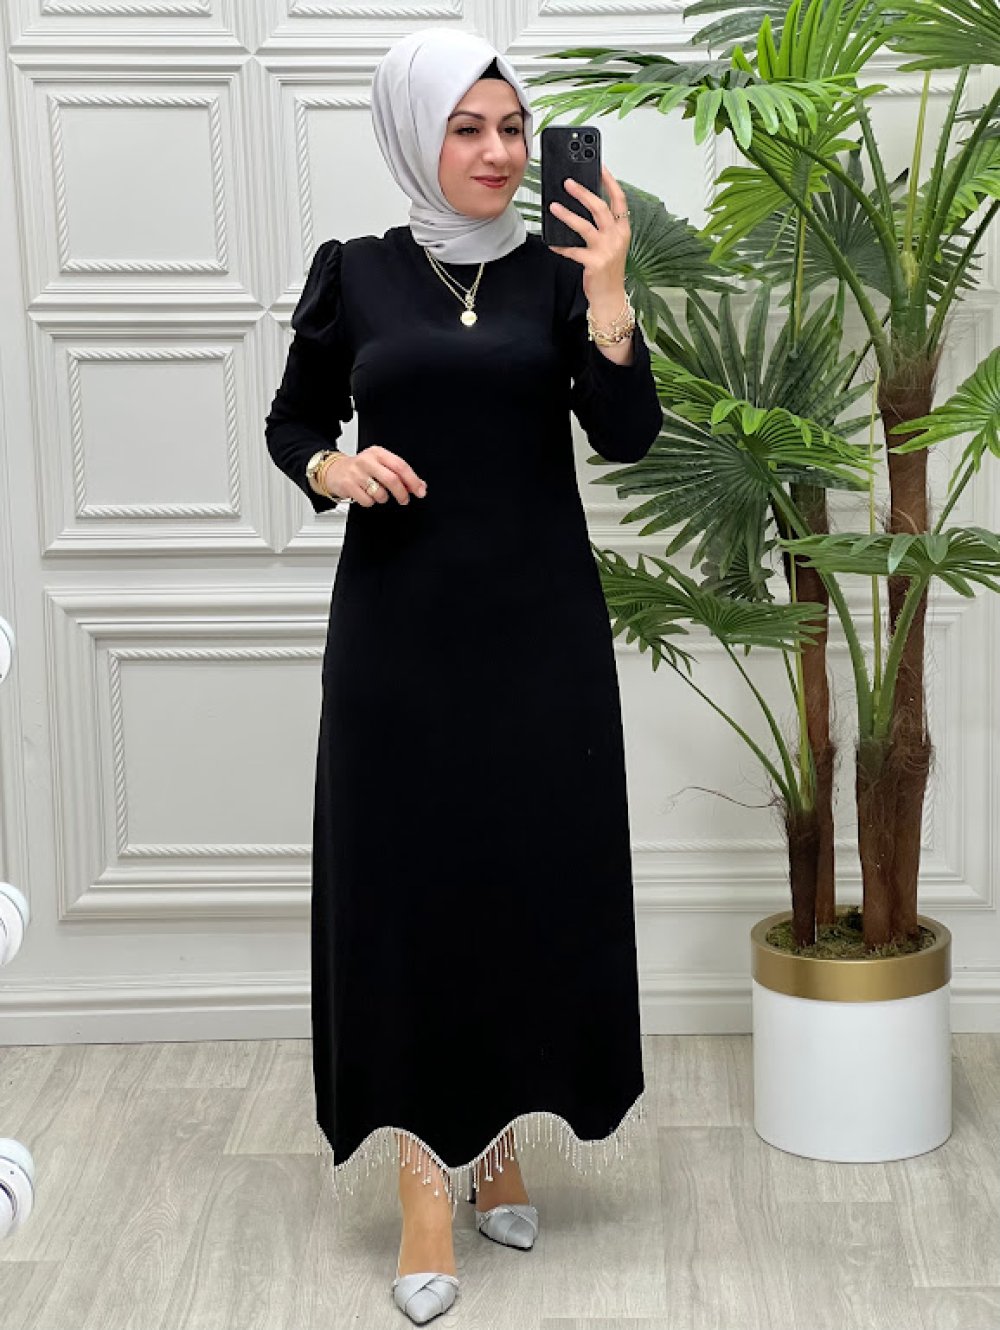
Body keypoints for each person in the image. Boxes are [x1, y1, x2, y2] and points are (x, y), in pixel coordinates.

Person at [264, 27, 662, 1327]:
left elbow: (627, 435)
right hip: (399, 639)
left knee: (524, 884)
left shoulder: (557, 277)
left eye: (512, 127)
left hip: (541, 636)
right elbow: (294, 421)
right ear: (414, 132)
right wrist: (332, 468)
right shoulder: (359, 275)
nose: (498, 152)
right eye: (467, 127)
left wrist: (609, 294)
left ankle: (498, 1144)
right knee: (410, 896)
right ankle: (423, 1184)